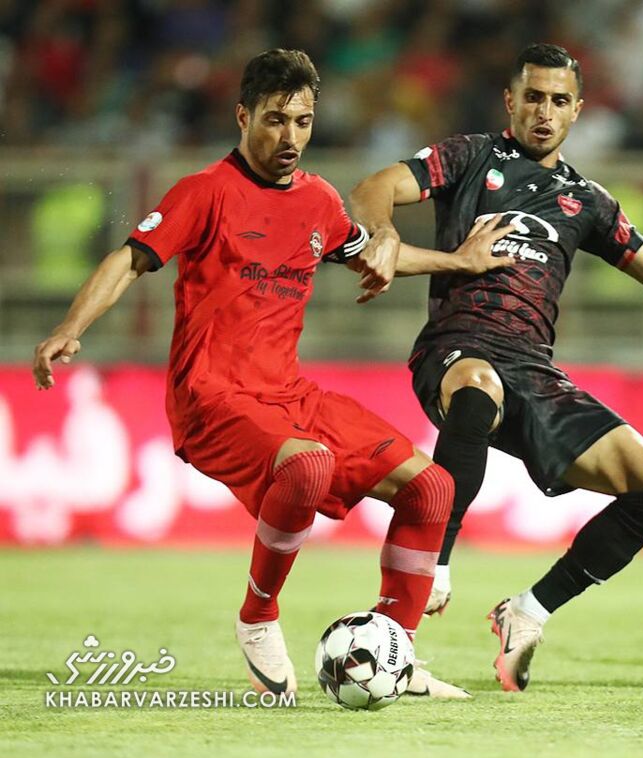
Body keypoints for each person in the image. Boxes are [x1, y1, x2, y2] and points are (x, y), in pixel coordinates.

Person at [31, 49, 515, 699]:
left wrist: (460, 261)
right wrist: (71, 327)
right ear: (243, 116)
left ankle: (394, 652)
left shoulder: (317, 200)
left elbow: (372, 256)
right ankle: (258, 616)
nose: (290, 136)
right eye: (275, 120)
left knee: (431, 487)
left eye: (303, 122)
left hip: (288, 394)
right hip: (211, 396)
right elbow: (129, 260)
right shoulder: (204, 192)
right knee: (307, 466)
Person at [349, 43, 643, 691]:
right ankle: (434, 563)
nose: (544, 112)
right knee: (477, 388)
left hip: (534, 370)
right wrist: (384, 233)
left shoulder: (588, 201)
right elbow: (372, 189)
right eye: (533, 98)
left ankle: (528, 610)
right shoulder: (469, 157)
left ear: (577, 110)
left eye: (558, 101)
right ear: (511, 101)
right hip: (457, 346)